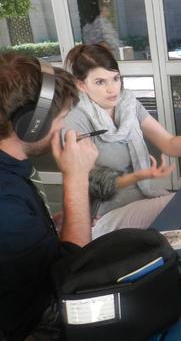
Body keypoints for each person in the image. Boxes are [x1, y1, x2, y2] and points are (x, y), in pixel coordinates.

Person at [63, 44, 181, 238]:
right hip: (106, 213)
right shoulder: (76, 118)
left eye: (116, 79)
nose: (112, 89)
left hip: (144, 196)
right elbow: (95, 184)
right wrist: (141, 175)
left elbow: (169, 144)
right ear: (81, 85)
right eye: (100, 82)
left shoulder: (128, 104)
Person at [0, 53, 98, 339]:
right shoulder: (5, 201)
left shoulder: (11, 165)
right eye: (63, 118)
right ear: (32, 124)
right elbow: (69, 272)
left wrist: (46, 227)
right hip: (31, 326)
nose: (66, 128)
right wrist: (77, 178)